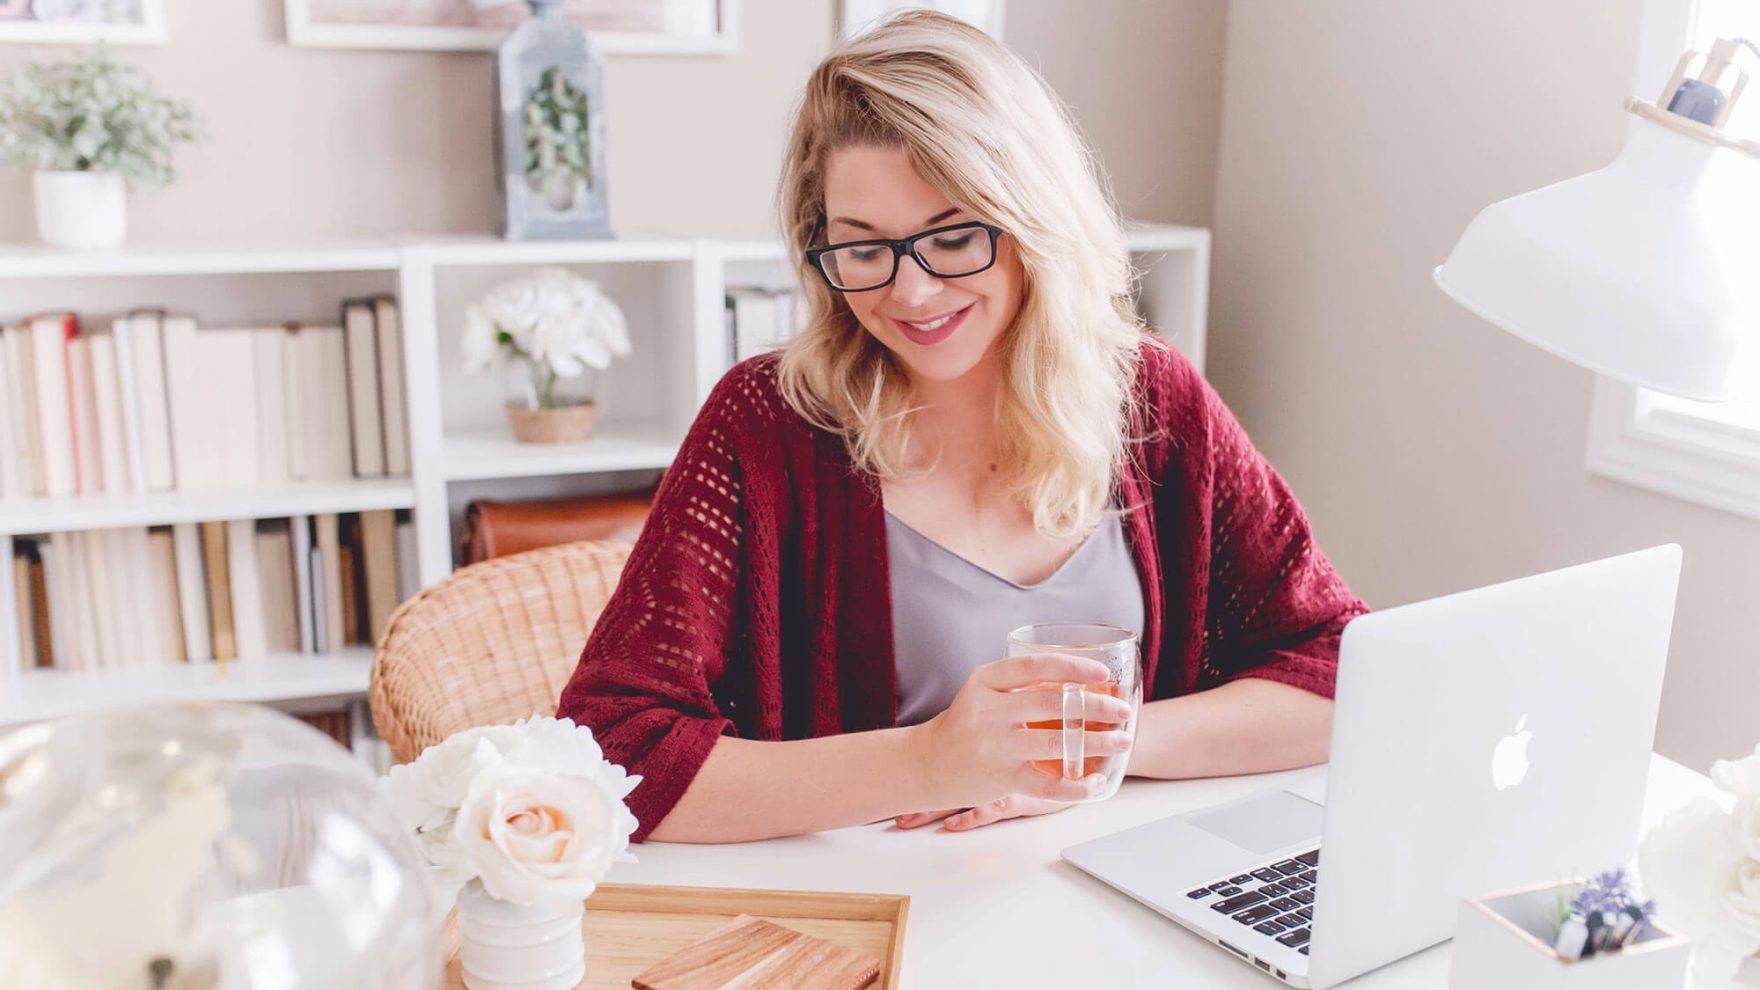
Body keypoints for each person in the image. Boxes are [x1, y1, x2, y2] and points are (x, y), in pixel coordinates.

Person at [556, 10, 1365, 843]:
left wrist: (1085, 752)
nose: (910, 293)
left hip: (1108, 896)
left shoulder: (1152, 400)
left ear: (1034, 221)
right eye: (863, 247)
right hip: (877, 922)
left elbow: (1345, 670)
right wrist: (930, 760)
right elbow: (611, 752)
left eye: (953, 236)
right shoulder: (765, 426)